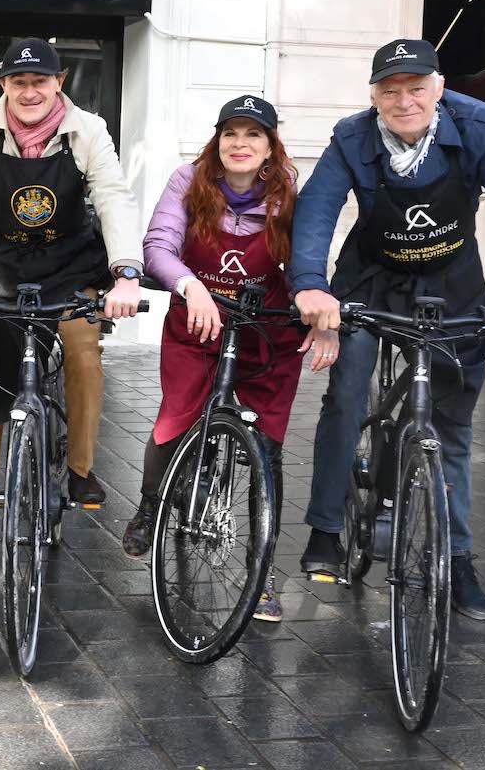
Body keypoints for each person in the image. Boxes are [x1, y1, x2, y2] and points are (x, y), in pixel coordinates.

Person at [292, 39, 485, 621]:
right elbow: (317, 210)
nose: (403, 101)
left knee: (452, 426)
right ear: (374, 97)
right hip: (369, 278)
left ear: (438, 88)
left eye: (416, 88)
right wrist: (311, 286)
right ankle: (326, 529)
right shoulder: (351, 136)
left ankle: (457, 557)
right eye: (390, 91)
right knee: (345, 396)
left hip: (451, 282)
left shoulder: (478, 125)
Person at [0, 38, 143, 568]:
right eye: (18, 82)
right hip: (2, 272)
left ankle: (82, 468)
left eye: (40, 80)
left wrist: (126, 274)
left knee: (83, 353)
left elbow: (112, 195)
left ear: (58, 82)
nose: (29, 91)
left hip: (71, 270)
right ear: (4, 87)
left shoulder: (88, 129)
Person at [126, 95, 338, 621]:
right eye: (231, 134)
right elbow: (158, 245)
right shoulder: (187, 180)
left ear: (270, 147)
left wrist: (319, 314)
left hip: (268, 330)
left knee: (266, 452)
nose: (240, 144)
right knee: (174, 421)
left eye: (253, 135)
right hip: (200, 321)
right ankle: (153, 501)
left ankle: (260, 575)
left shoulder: (288, 190)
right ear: (217, 141)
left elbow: (306, 259)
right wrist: (188, 286)